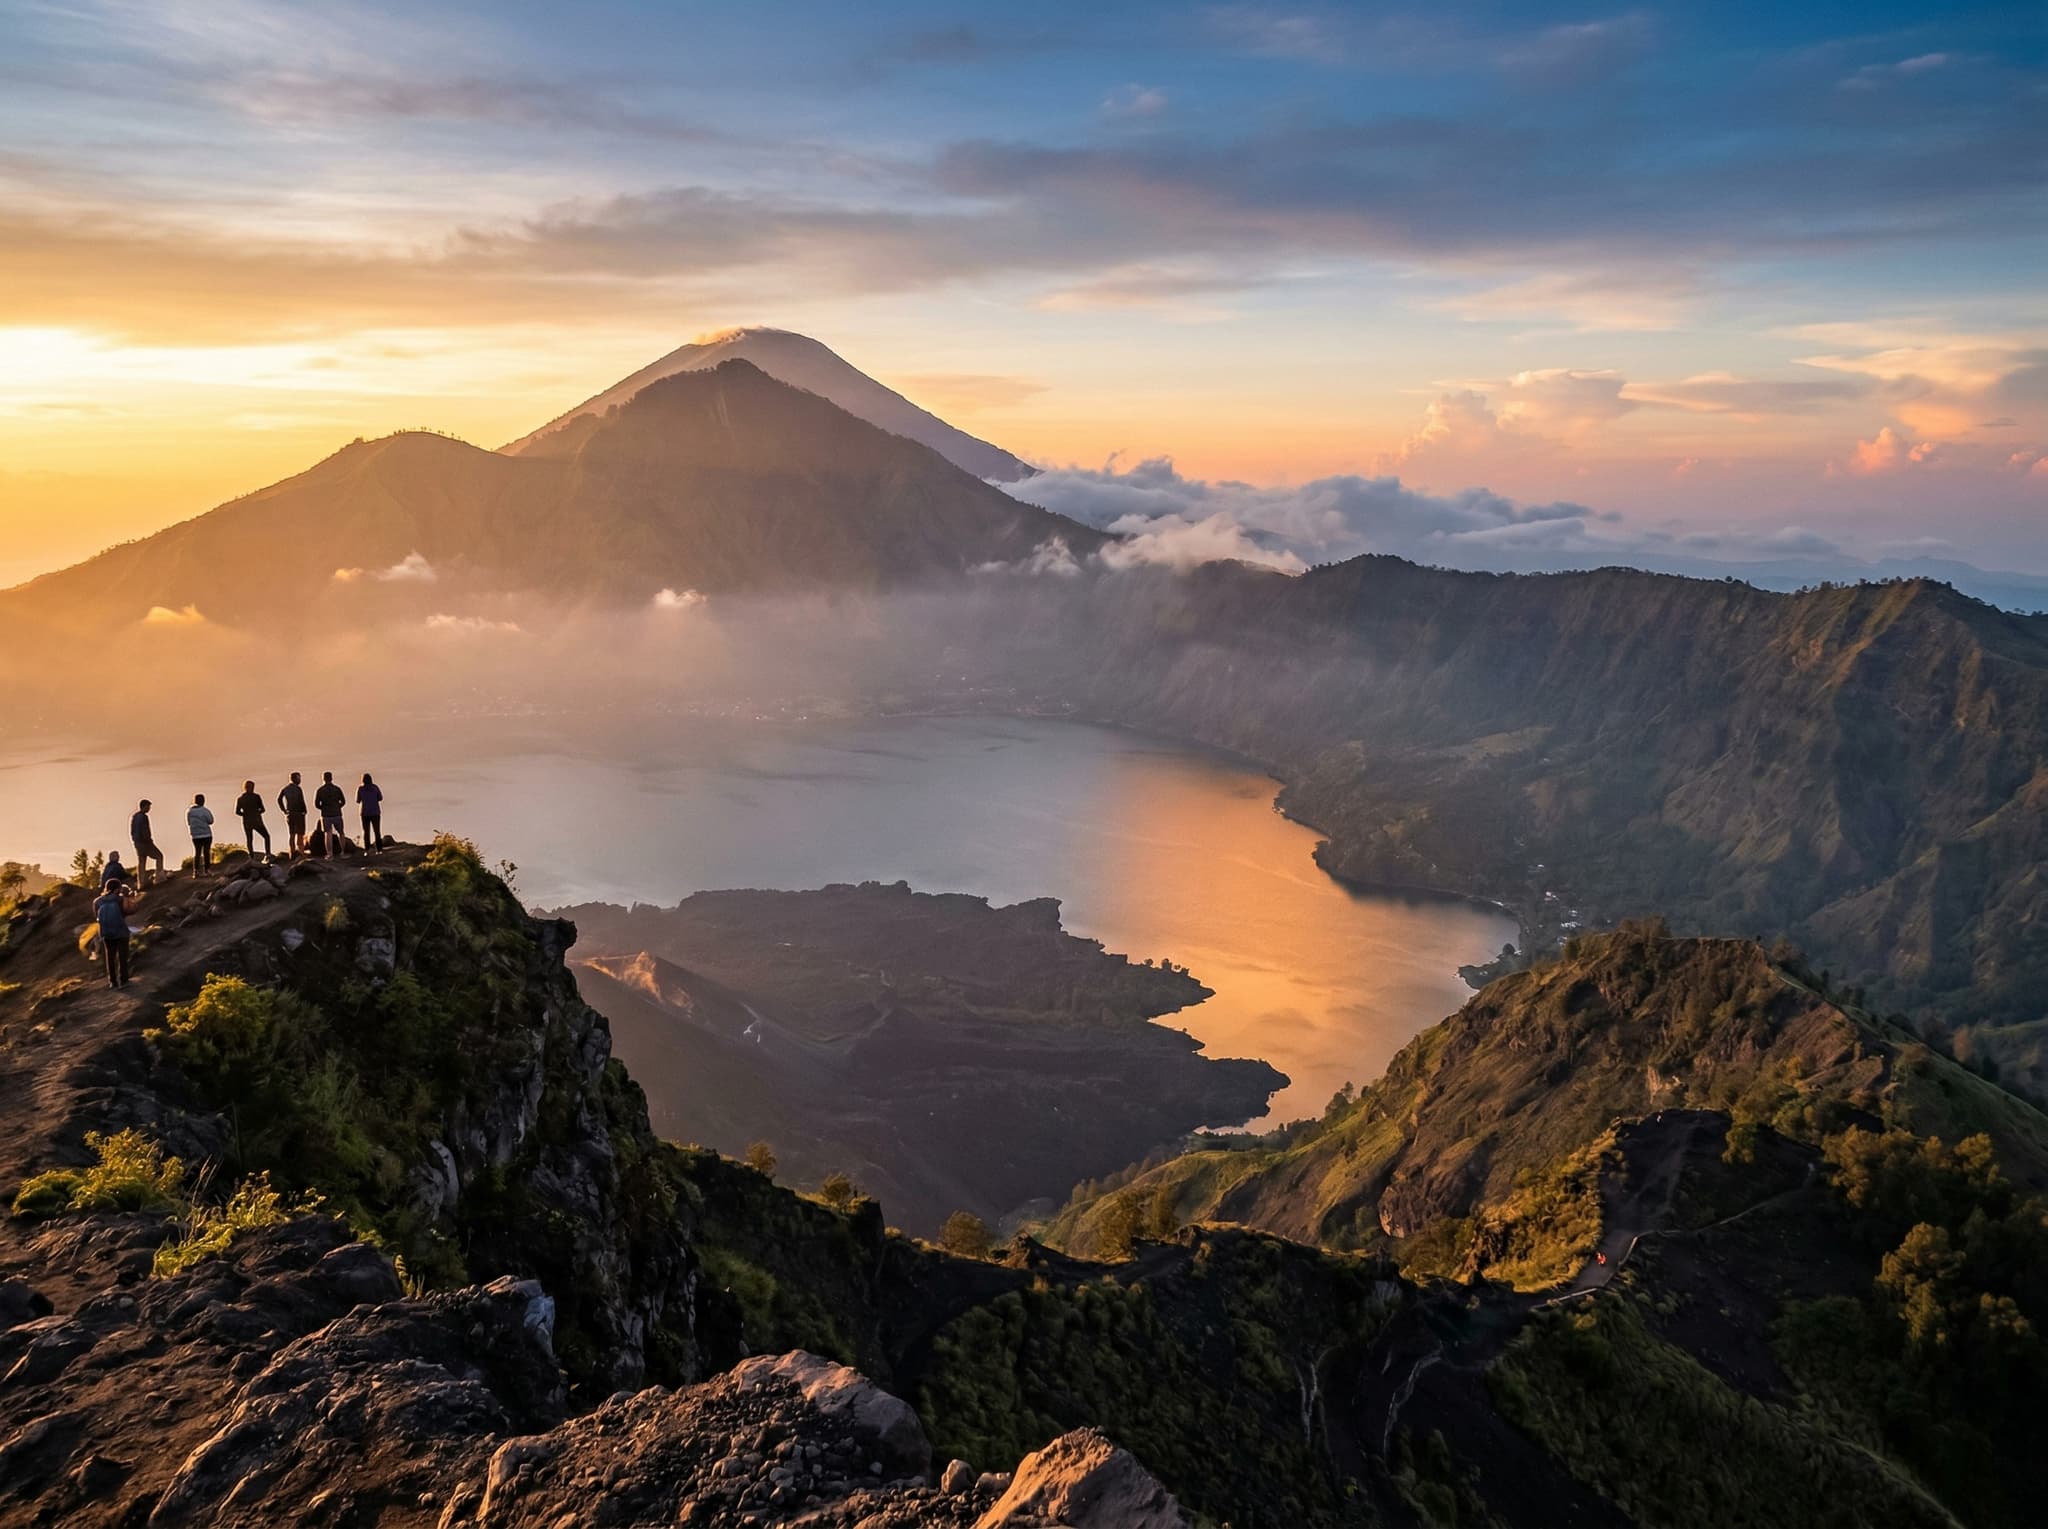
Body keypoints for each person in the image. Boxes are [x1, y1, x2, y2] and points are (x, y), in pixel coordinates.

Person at [94, 881, 132, 988]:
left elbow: (96, 917)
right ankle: (124, 980)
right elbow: (127, 911)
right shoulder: (120, 899)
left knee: (110, 957)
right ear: (117, 889)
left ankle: (113, 982)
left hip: (106, 933)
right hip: (121, 932)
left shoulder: (97, 901)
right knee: (122, 956)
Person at [130, 800, 165, 888]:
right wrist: (149, 840)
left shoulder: (134, 816)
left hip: (137, 843)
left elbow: (132, 831)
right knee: (159, 856)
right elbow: (145, 830)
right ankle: (159, 877)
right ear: (144, 806)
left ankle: (140, 883)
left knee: (141, 861)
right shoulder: (144, 817)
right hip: (145, 842)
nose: (149, 808)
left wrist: (135, 841)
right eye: (148, 806)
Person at [235, 780, 272, 861]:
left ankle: (251, 856)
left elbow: (237, 812)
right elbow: (263, 809)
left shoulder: (241, 799)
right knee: (266, 836)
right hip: (257, 820)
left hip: (247, 821)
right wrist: (257, 813)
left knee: (249, 839)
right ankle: (268, 853)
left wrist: (245, 814)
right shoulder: (256, 797)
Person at [277, 772, 308, 859]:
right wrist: (304, 810)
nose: (300, 780)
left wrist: (284, 810)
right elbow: (301, 800)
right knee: (300, 834)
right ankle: (301, 852)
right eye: (299, 778)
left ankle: (292, 853)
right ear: (295, 779)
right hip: (298, 813)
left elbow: (279, 799)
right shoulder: (298, 789)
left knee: (292, 834)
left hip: (290, 814)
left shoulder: (285, 789)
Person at [314, 772, 347, 847]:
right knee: (341, 833)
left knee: (328, 834)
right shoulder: (337, 789)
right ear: (331, 778)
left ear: (323, 779)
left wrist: (323, 808)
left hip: (326, 815)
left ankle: (329, 853)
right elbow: (343, 801)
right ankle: (343, 851)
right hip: (337, 814)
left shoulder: (320, 790)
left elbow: (316, 804)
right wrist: (338, 807)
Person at [187, 793, 215, 877]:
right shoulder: (205, 810)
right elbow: (211, 821)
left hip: (195, 835)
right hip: (206, 834)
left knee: (197, 853)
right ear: (203, 801)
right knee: (206, 852)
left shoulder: (189, 811)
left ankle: (196, 871)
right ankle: (207, 870)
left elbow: (189, 823)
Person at [357, 772, 384, 852]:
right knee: (377, 831)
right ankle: (379, 849)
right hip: (375, 812)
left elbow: (358, 800)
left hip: (364, 812)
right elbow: (380, 798)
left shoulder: (360, 788)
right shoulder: (375, 787)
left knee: (366, 832)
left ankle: (367, 850)